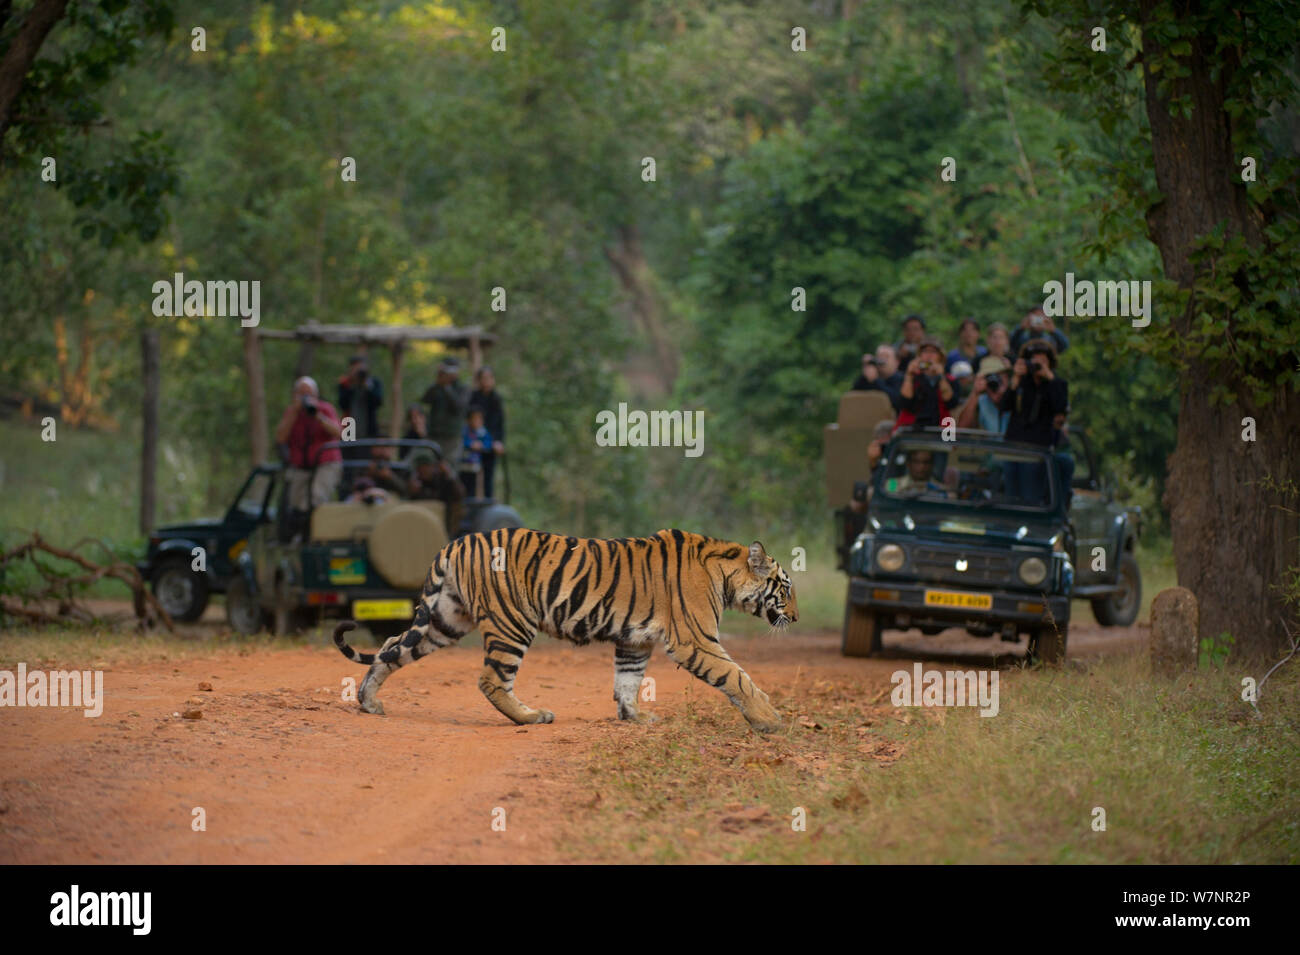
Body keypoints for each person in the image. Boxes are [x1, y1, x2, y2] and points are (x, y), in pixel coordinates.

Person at [999, 340, 1069, 504]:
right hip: (1014, 444)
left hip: (1037, 449)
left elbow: (1061, 409)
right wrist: (1015, 379)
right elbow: (1004, 407)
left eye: (1042, 361)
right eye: (1034, 361)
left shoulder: (1057, 384)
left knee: (1030, 496)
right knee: (1011, 495)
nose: (1037, 366)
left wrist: (1049, 378)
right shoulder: (1022, 383)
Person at [274, 376, 343, 519]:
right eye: (301, 394)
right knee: (297, 504)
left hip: (326, 464)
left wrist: (318, 416)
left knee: (316, 498)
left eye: (309, 394)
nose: (306, 398)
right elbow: (280, 438)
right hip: (301, 466)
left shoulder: (325, 409)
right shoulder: (291, 412)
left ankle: (317, 533)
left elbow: (339, 433)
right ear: (295, 395)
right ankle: (301, 533)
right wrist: (294, 412)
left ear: (316, 395)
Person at [421, 357, 469, 467]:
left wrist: (447, 387)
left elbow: (458, 407)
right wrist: (437, 382)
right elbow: (425, 400)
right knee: (428, 466)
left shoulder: (463, 388)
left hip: (451, 437)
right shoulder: (436, 387)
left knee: (448, 469)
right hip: (434, 435)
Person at [895, 339, 954, 430]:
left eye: (934, 352)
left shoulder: (950, 379)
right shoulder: (911, 379)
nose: (929, 355)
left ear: (941, 357)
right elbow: (904, 403)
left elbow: (950, 402)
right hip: (911, 428)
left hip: (941, 429)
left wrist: (940, 376)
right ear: (919, 356)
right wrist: (909, 375)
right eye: (925, 351)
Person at [468, 366, 506, 498]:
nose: (487, 381)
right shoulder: (473, 397)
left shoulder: (496, 399)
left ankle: (488, 504)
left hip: (490, 443)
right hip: (473, 443)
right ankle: (470, 504)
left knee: (489, 477)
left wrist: (498, 442)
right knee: (470, 475)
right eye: (484, 378)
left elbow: (499, 424)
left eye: (489, 378)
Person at [408, 448, 466, 533]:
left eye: (426, 466)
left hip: (443, 524)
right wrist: (412, 491)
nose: (424, 470)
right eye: (420, 467)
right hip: (419, 524)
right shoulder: (414, 481)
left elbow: (460, 494)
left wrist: (450, 476)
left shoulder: (443, 480)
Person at [957, 355, 1013, 433]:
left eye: (1001, 376)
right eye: (991, 376)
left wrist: (1007, 392)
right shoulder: (981, 401)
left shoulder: (1017, 398)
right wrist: (975, 393)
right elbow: (960, 431)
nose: (996, 381)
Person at [337, 355, 384, 448]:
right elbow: (342, 404)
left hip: (369, 429)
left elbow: (378, 402)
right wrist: (352, 384)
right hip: (349, 429)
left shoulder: (374, 383)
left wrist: (367, 387)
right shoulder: (345, 383)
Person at [459, 408, 492, 497]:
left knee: (473, 488)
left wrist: (481, 446)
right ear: (468, 420)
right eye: (474, 418)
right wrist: (470, 444)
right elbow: (461, 442)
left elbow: (488, 443)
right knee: (461, 487)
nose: (476, 421)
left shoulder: (482, 432)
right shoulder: (464, 430)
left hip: (475, 466)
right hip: (462, 466)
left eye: (479, 419)